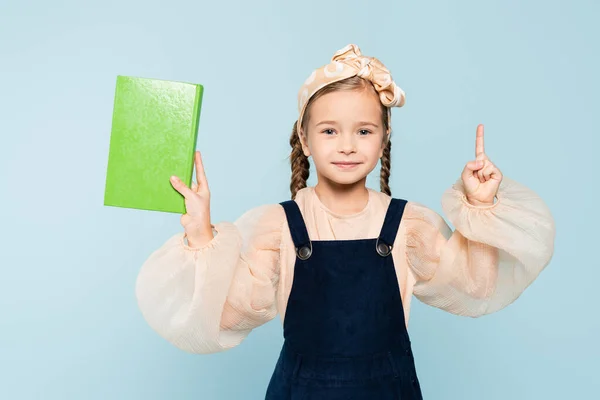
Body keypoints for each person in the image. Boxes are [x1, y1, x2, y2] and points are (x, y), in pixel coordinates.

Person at [135, 44, 556, 399]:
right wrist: (201, 235)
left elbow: (477, 287)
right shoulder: (278, 228)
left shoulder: (408, 225)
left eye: (364, 131)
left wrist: (480, 207)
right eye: (330, 131)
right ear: (305, 138)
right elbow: (223, 320)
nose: (348, 146)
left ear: (385, 135)